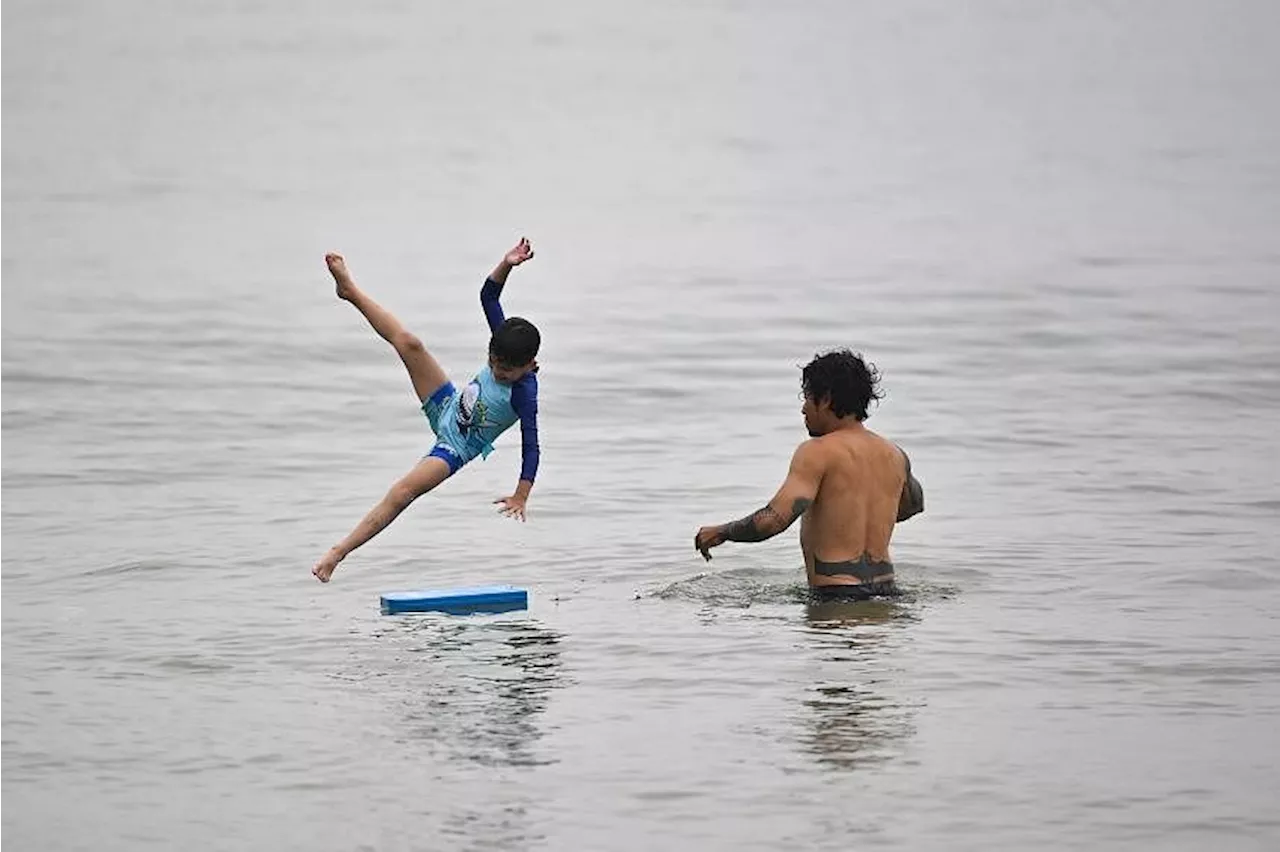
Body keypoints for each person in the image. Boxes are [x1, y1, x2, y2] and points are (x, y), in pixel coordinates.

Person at [312, 238, 542, 583]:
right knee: (409, 343)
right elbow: (489, 296)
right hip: (447, 403)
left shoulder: (525, 394)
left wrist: (521, 494)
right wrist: (507, 263)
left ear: (529, 365)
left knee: (403, 492)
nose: (497, 373)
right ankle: (350, 292)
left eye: (506, 372)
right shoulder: (504, 342)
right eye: (492, 364)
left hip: (455, 447)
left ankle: (337, 553)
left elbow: (532, 445)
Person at [693, 349, 923, 600]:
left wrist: (722, 532)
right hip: (887, 592)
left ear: (824, 399)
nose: (803, 409)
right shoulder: (894, 454)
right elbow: (913, 505)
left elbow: (772, 520)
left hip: (835, 596)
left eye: (806, 397)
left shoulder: (816, 452)